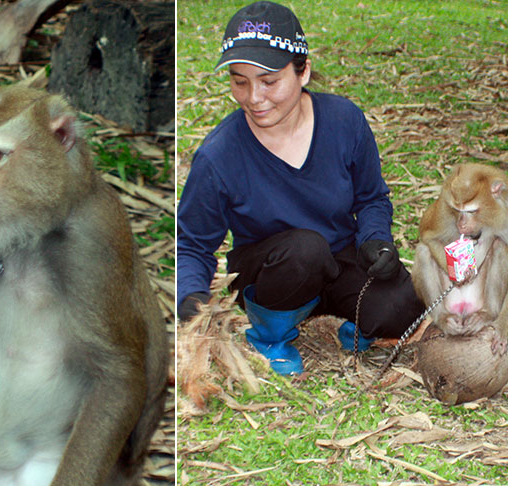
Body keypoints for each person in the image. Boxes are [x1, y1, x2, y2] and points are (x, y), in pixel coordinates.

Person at [177, 1, 425, 375]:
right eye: (239, 82)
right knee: (305, 249)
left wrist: (375, 239)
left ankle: (344, 322)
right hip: (274, 270)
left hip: (340, 258)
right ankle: (270, 336)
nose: (254, 98)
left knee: (404, 308)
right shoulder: (219, 155)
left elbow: (372, 197)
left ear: (303, 71)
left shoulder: (344, 121)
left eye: (269, 81)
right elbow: (191, 244)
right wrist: (190, 298)